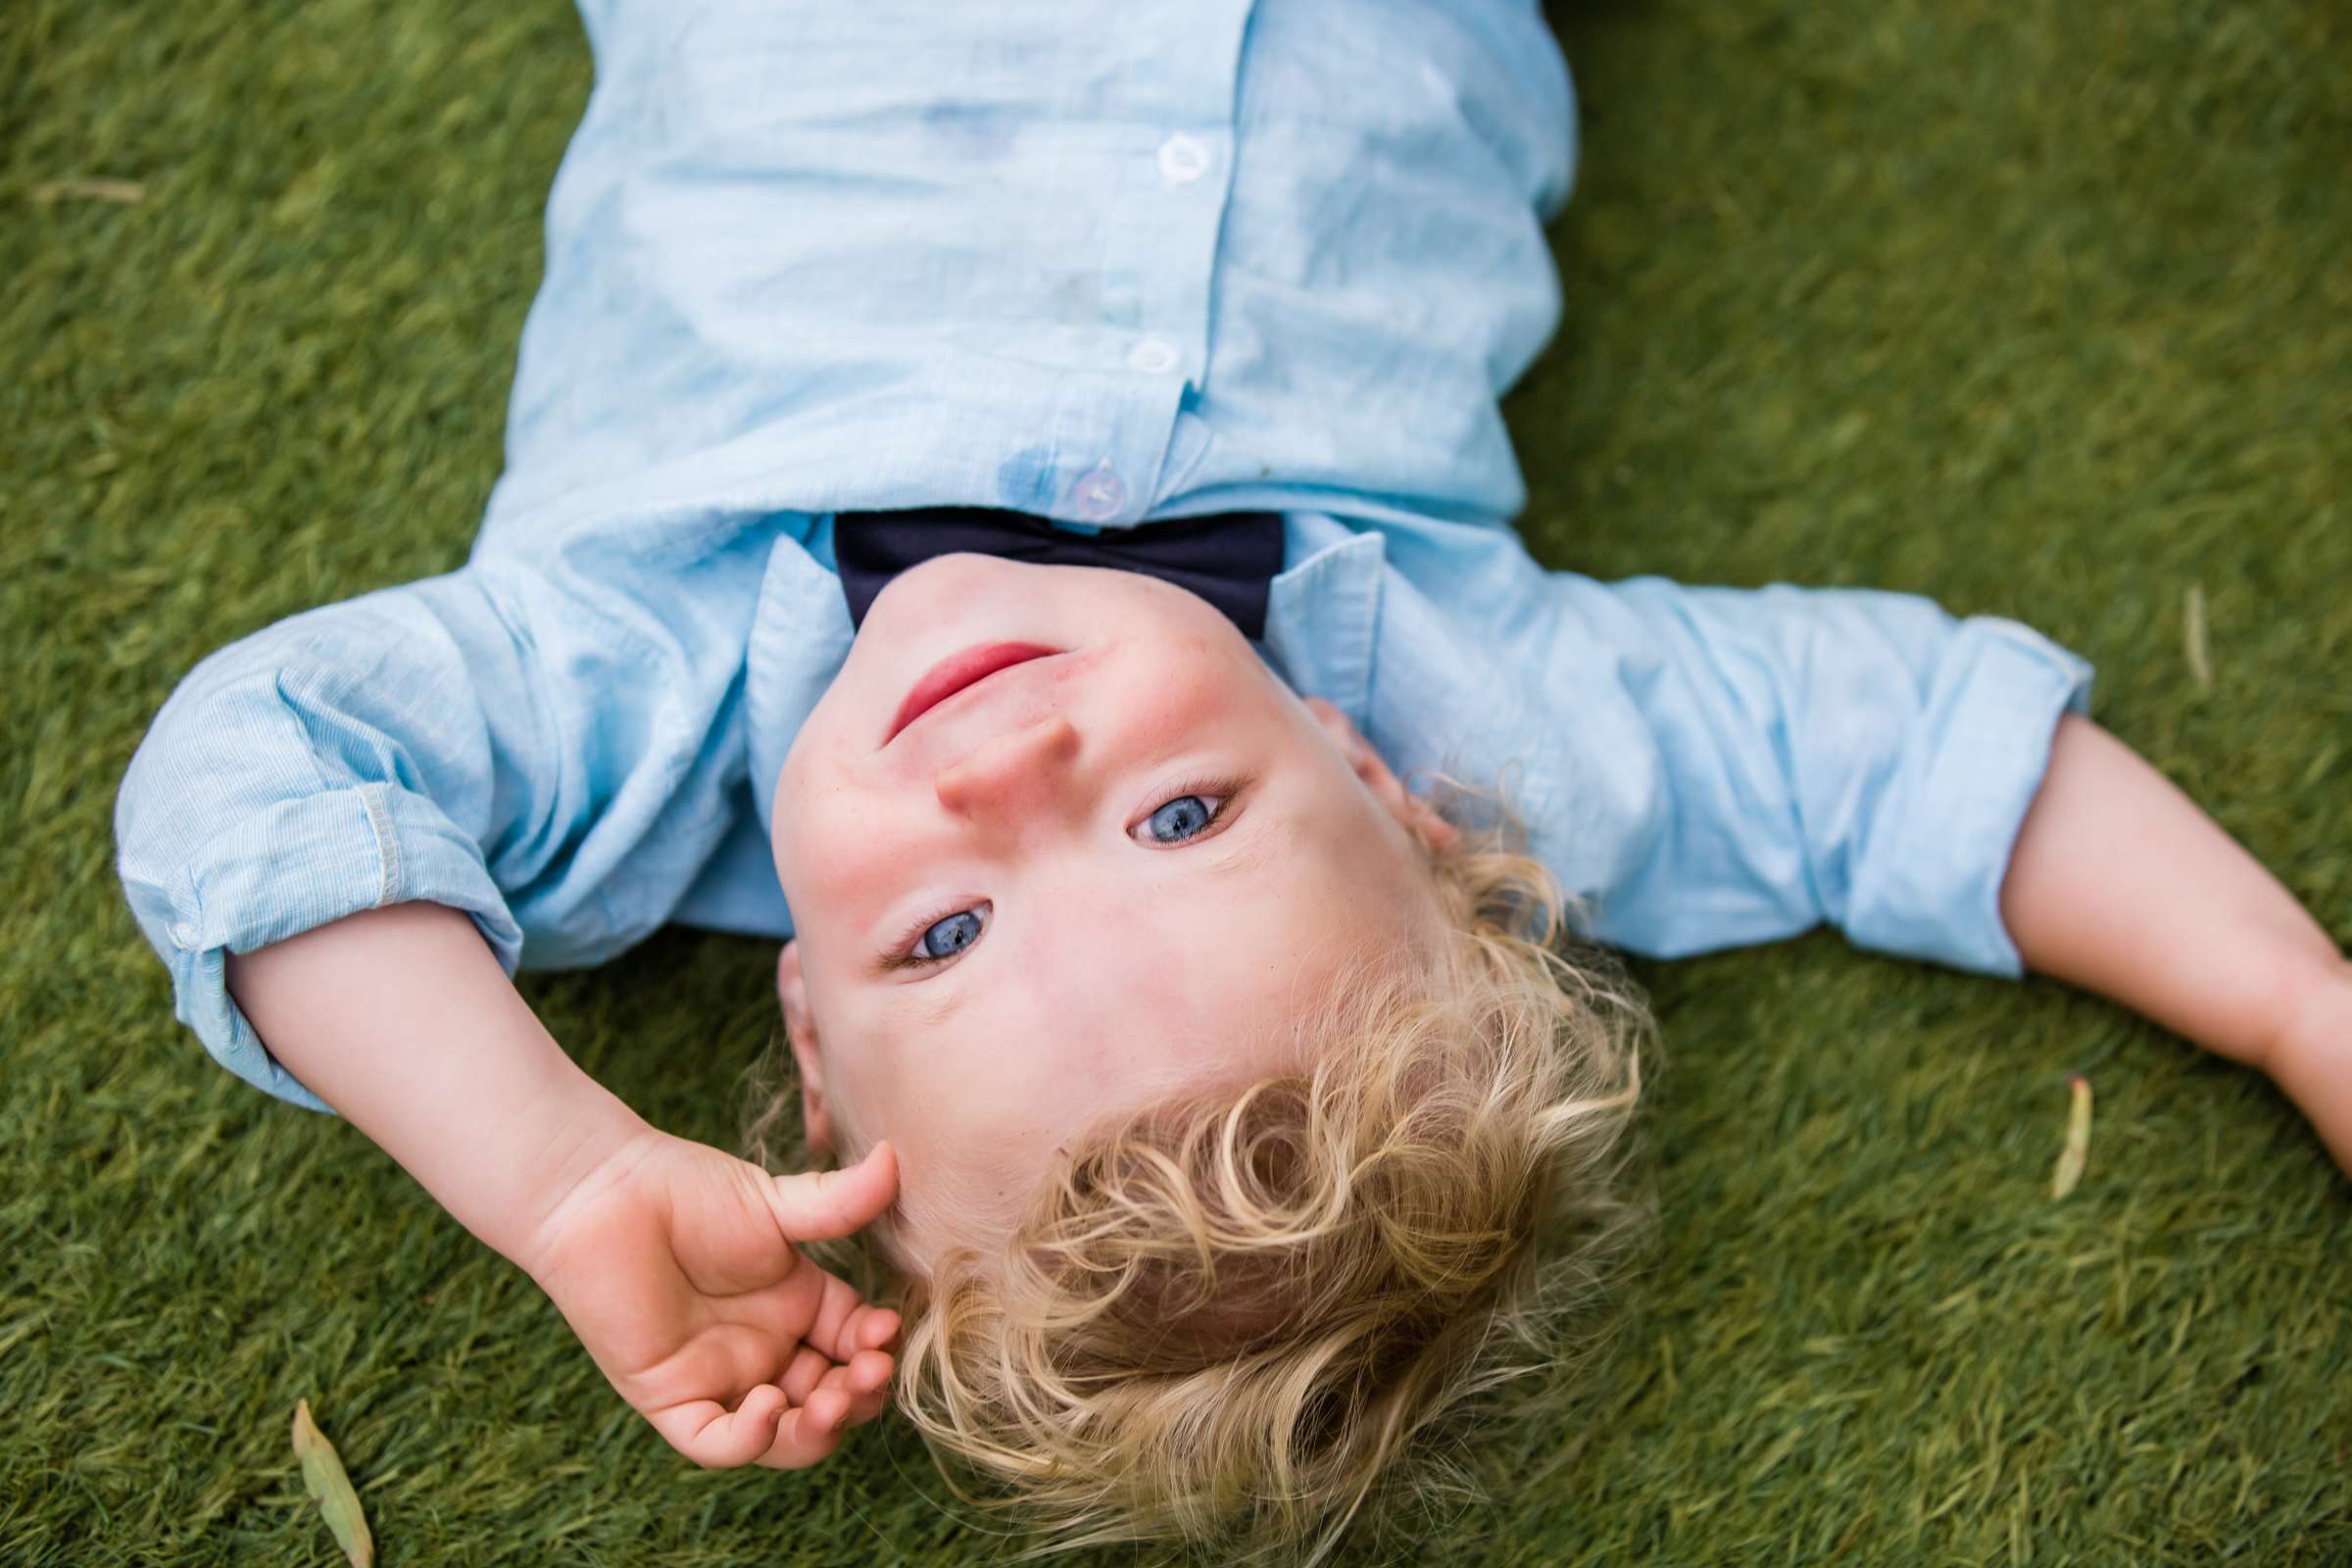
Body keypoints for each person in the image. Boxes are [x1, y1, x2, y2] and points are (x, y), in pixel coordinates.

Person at [113, 0, 2351, 1556]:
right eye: (1184, 821)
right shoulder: (1478, 703)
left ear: (808, 1022)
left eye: (946, 930)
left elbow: (259, 774)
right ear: (1395, 794)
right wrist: (2298, 1012)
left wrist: (561, 1170)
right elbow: (1914, 764)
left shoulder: (646, 694)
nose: (1002, 770)